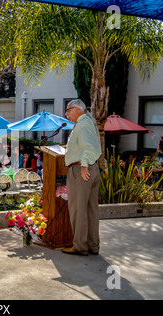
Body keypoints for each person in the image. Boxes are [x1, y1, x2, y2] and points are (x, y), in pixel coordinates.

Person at [62, 99, 102, 256]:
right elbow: (89, 144)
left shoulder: (83, 123)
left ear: (77, 109)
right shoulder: (88, 122)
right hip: (91, 168)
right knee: (91, 210)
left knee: (78, 209)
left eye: (68, 110)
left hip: (81, 169)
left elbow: (90, 146)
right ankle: (92, 245)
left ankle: (80, 246)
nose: (66, 113)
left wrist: (84, 164)